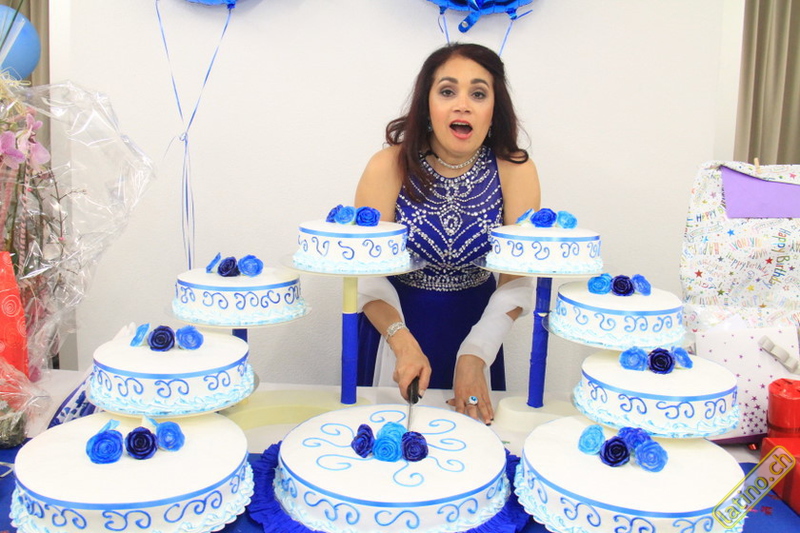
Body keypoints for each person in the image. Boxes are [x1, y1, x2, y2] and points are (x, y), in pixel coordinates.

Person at [355, 42, 540, 424]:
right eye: (447, 91)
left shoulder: (516, 169)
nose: (463, 105)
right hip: (393, 326)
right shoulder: (387, 165)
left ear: (494, 108)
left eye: (478, 93)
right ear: (427, 105)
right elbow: (365, 275)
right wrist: (401, 341)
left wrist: (476, 353)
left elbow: (518, 281)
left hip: (480, 327)